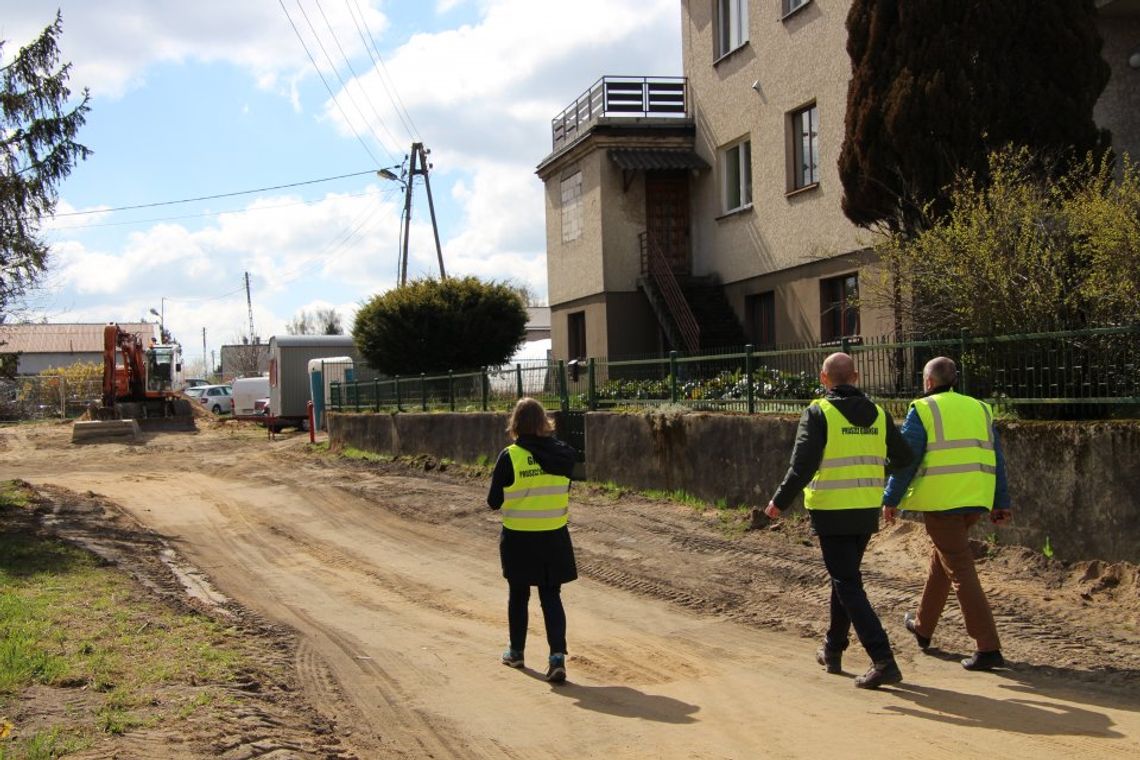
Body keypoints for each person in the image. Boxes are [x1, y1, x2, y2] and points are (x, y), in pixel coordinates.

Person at [764, 352, 913, 689]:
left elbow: (802, 465)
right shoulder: (878, 413)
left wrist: (778, 503)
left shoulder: (819, 413)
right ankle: (833, 649)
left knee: (847, 583)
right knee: (844, 578)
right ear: (856, 377)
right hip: (865, 508)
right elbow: (905, 457)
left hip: (831, 509)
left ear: (823, 377)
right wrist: (877, 470)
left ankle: (883, 658)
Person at [882, 356, 1012, 672]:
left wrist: (890, 499)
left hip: (943, 503)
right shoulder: (980, 408)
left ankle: (988, 646)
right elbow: (996, 457)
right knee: (944, 561)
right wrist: (1000, 501)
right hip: (974, 500)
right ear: (954, 379)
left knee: (960, 569)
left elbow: (906, 460)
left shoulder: (923, 409)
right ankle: (923, 627)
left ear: (927, 382)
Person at [487, 397, 578, 684]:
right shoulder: (564, 455)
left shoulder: (510, 456)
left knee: (519, 594)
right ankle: (556, 659)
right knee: (551, 595)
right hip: (554, 536)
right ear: (543, 423)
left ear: (515, 424)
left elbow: (493, 501)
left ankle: (516, 652)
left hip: (519, 539)